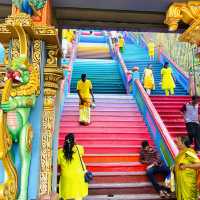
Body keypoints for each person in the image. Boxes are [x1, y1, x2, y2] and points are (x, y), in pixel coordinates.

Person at [58, 133, 88, 200]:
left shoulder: (60, 152)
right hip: (78, 175)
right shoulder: (79, 148)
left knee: (66, 195)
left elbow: (58, 163)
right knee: (78, 195)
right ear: (74, 140)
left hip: (66, 176)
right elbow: (82, 153)